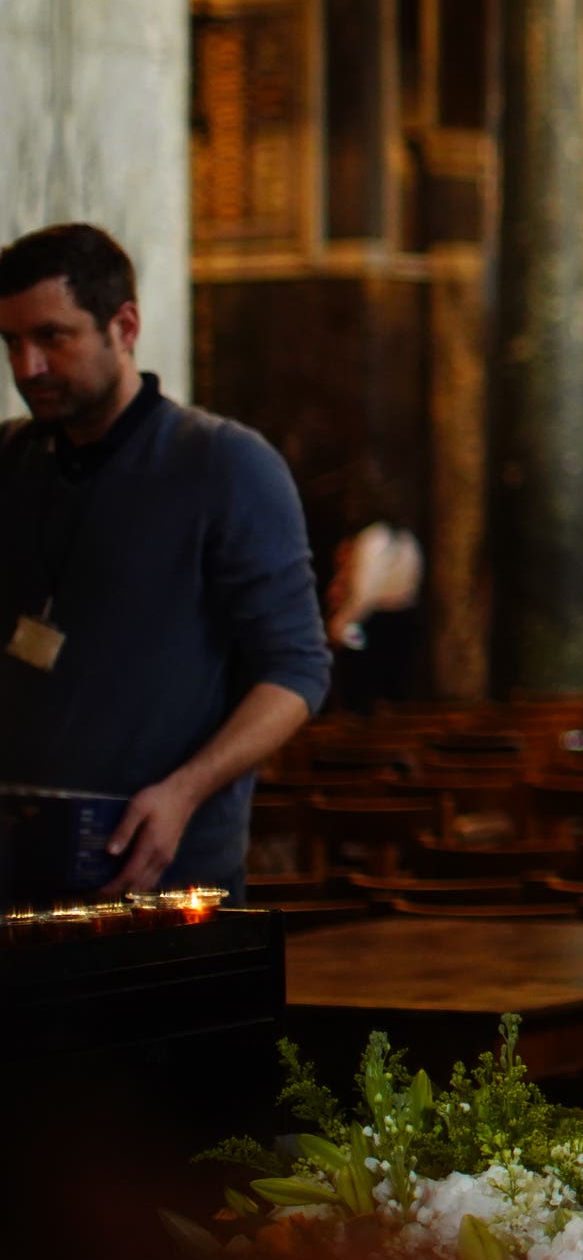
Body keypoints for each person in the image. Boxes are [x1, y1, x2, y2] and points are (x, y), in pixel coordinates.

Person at [0, 224, 327, 894]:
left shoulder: (223, 463)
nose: (25, 368)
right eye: (10, 343)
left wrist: (184, 792)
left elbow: (295, 672)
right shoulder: (10, 461)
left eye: (52, 338)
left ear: (124, 327)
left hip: (165, 875)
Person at [323, 481, 426, 713]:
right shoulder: (406, 538)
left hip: (374, 625)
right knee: (393, 689)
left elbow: (364, 595)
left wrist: (339, 626)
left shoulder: (373, 539)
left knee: (360, 683)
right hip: (403, 622)